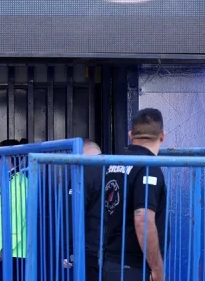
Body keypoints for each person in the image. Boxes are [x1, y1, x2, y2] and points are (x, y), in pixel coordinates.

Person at [102, 108, 167, 281]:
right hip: (135, 269)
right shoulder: (149, 167)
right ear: (162, 136)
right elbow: (143, 219)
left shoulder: (112, 164)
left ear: (131, 135)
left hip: (111, 264)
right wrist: (157, 269)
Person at [0, 139, 28, 281]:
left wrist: (7, 246)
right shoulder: (10, 180)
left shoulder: (18, 182)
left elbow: (17, 217)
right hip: (8, 250)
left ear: (8, 157)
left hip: (14, 251)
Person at [64, 139, 104, 281]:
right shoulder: (118, 169)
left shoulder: (82, 173)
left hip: (89, 250)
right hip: (117, 252)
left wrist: (69, 251)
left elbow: (73, 214)